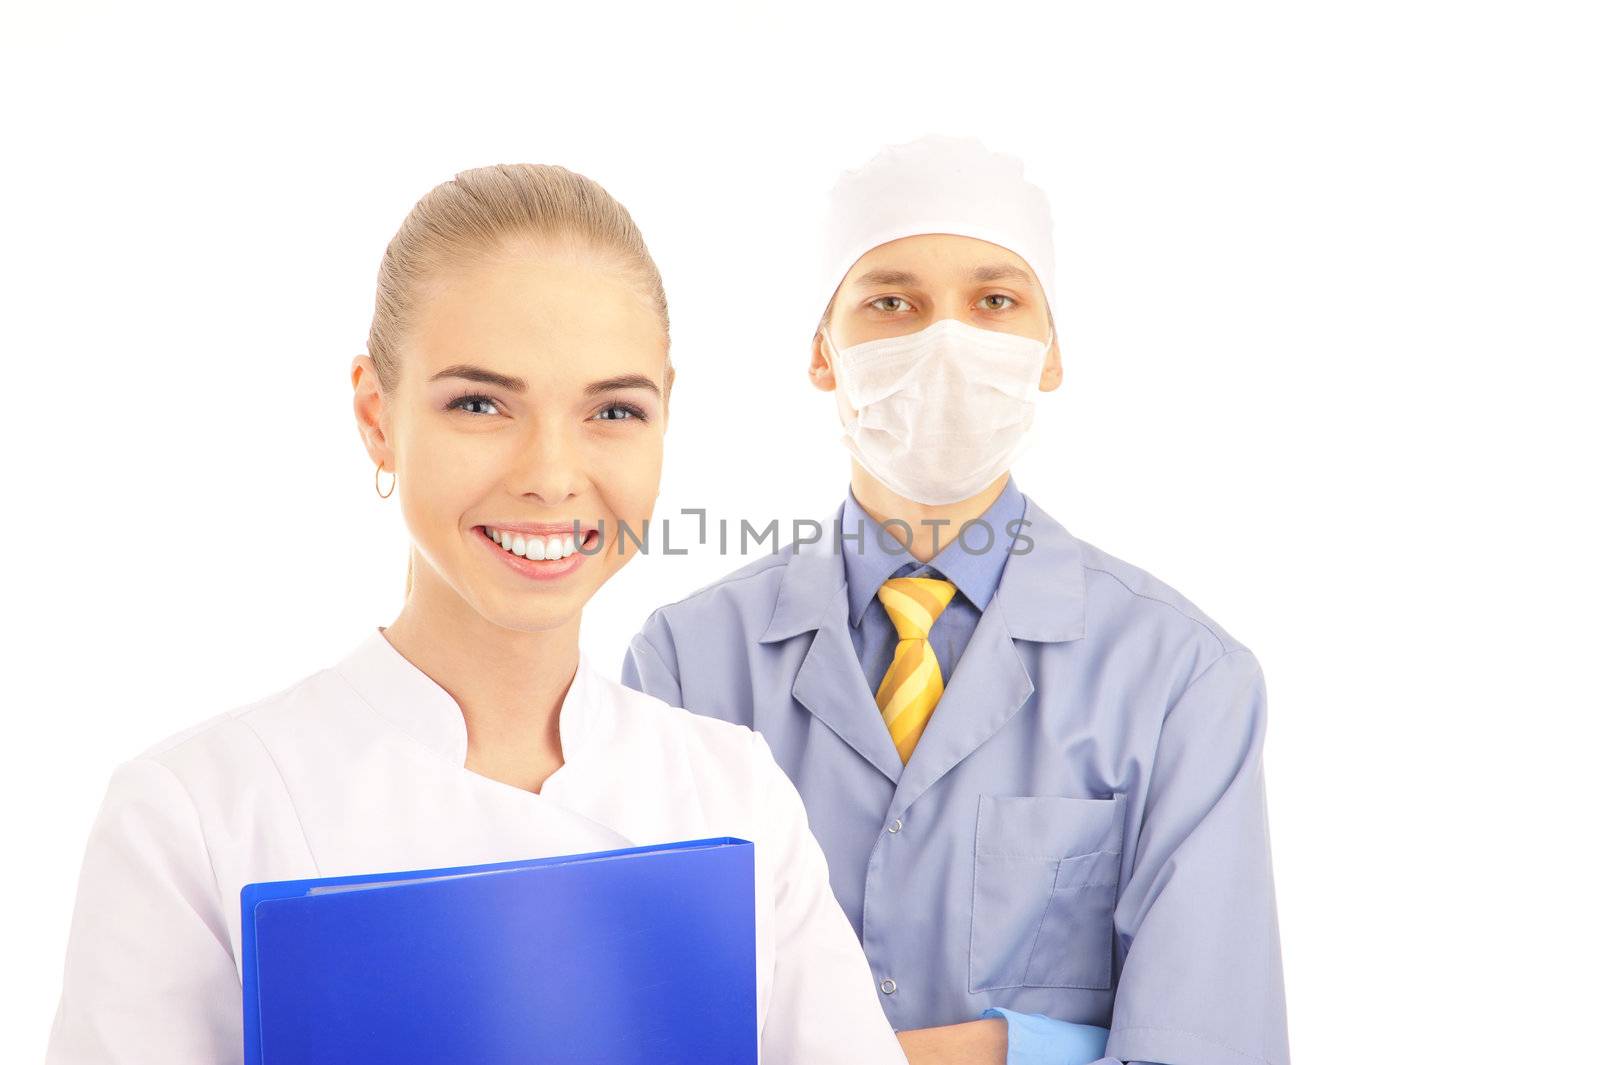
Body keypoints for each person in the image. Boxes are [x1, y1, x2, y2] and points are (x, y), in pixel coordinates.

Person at [45, 163, 909, 1065]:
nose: (549, 472)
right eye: (480, 403)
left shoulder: (734, 791)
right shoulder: (194, 813)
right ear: (377, 415)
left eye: (612, 409)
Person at [622, 136, 1290, 1065]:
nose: (945, 340)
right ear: (824, 353)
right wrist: (1037, 1048)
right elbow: (648, 1025)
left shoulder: (1184, 679)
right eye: (890, 302)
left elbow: (1213, 1046)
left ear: (1048, 355)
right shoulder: (688, 663)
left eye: (995, 301)